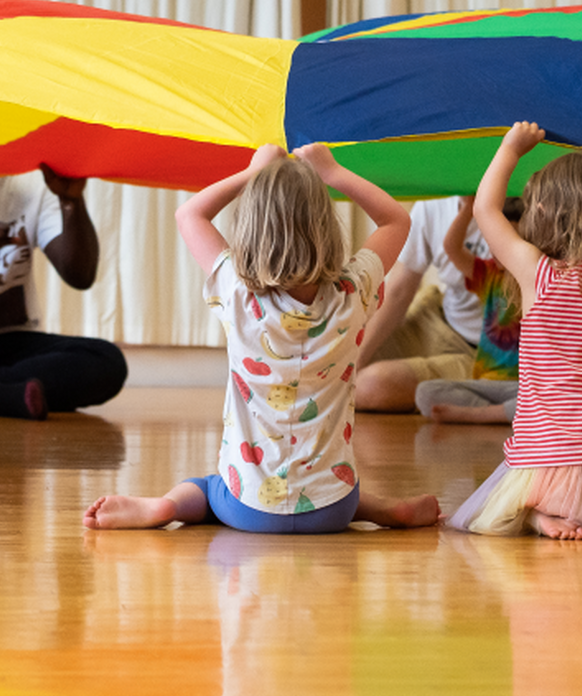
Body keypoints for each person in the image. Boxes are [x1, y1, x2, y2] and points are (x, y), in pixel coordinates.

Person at [83, 143, 440, 534]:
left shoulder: (237, 292)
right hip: (333, 509)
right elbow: (395, 221)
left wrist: (252, 172)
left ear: (250, 229)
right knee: (326, 488)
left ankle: (167, 506)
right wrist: (332, 171)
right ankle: (382, 510)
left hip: (247, 508)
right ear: (325, 226)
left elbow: (190, 213)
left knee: (207, 488)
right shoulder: (351, 293)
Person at [448, 121, 582, 539]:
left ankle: (534, 514)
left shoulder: (539, 273)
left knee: (501, 508)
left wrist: (511, 148)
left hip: (544, 463)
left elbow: (485, 210)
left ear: (542, 211)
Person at [0, 167, 127, 421]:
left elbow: (81, 276)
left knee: (106, 361)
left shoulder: (25, 189)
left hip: (11, 347)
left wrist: (71, 202)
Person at [355, 197, 489, 413]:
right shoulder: (434, 205)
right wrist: (355, 358)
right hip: (441, 322)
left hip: (492, 355)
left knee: (369, 385)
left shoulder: (523, 210)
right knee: (327, 361)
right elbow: (399, 292)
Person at [415, 196, 521, 425]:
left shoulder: (536, 277)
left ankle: (483, 415)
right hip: (485, 384)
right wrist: (469, 209)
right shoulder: (489, 275)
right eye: (495, 239)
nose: (498, 248)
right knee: (425, 393)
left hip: (523, 386)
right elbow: (451, 248)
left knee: (560, 401)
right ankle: (503, 415)